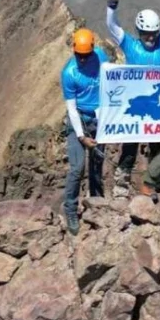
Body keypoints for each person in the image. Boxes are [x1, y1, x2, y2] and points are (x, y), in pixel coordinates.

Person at [105, 0, 160, 197]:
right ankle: (121, 185)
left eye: (154, 33)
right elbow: (112, 26)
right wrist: (113, 1)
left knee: (158, 145)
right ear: (138, 31)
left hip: (157, 103)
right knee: (129, 147)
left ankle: (154, 182)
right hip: (136, 104)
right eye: (146, 33)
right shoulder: (129, 43)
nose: (151, 38)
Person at [60, 27, 110, 235]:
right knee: (77, 167)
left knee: (97, 163)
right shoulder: (69, 73)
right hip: (78, 120)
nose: (82, 60)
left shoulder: (100, 57)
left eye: (85, 55)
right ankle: (70, 208)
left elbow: (111, 80)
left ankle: (97, 203)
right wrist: (81, 136)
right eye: (79, 56)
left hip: (99, 118)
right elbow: (71, 108)